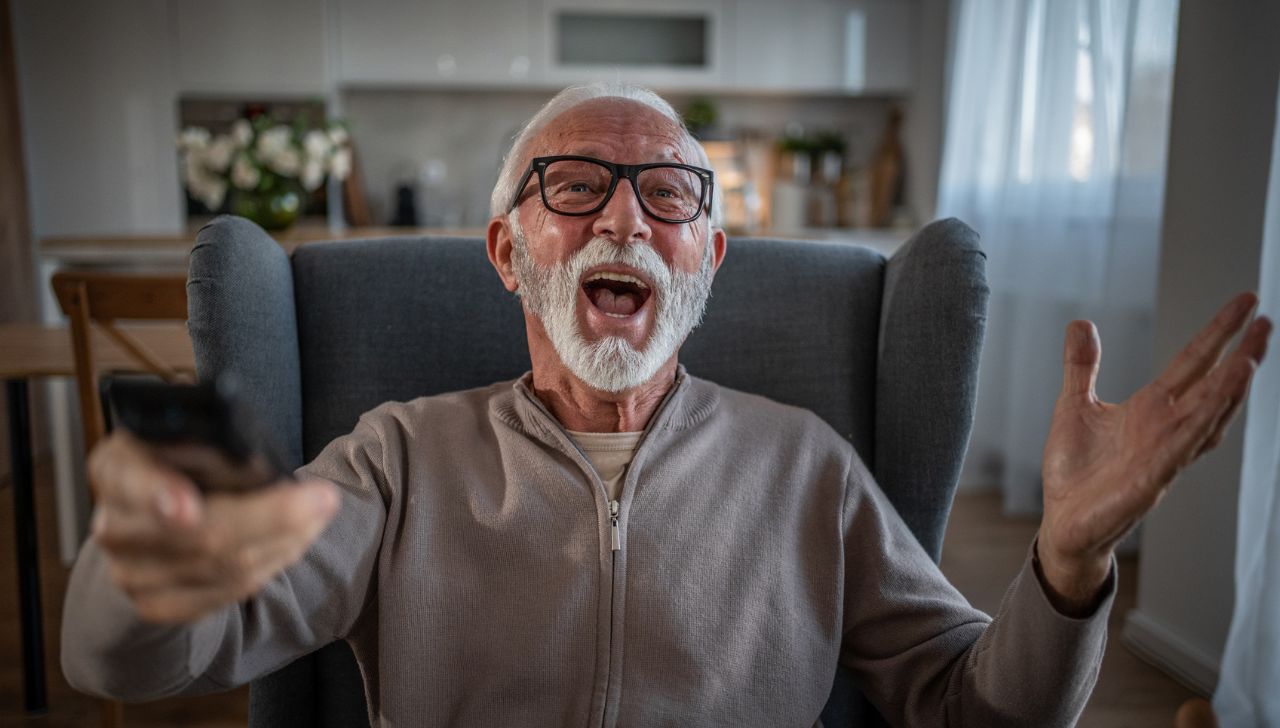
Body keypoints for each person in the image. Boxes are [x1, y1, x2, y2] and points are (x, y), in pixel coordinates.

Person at [62, 82, 1272, 727]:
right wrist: (147, 564)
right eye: (577, 184)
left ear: (706, 258)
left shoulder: (807, 467)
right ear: (505, 250)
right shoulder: (396, 462)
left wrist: (1063, 563)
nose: (627, 216)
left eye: (669, 194)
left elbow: (974, 709)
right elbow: (141, 659)